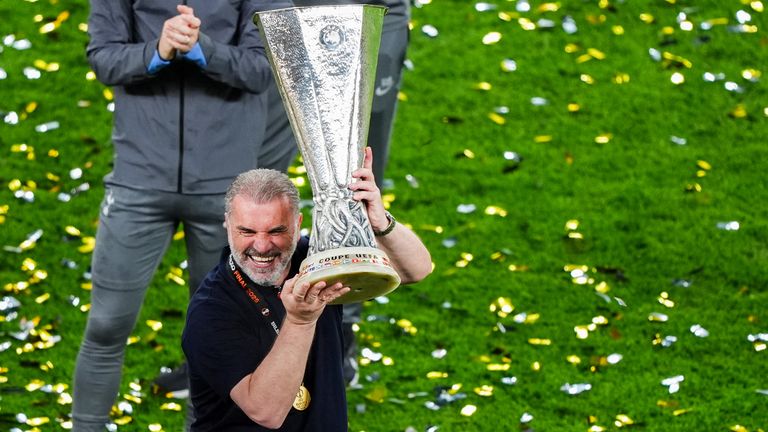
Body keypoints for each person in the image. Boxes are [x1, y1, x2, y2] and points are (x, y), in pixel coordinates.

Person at [71, 1, 288, 430]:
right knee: (106, 325)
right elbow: (103, 57)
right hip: (137, 183)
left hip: (227, 193)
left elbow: (266, 68)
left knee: (220, 336)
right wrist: (158, 50)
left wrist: (203, 49)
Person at [181, 147, 432, 430]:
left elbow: (415, 269)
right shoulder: (211, 310)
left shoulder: (315, 260)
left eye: (276, 231)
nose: (261, 246)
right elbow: (266, 412)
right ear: (227, 224)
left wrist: (379, 221)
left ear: (297, 224)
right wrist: (301, 321)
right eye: (247, 231)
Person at [260, 0, 412, 384]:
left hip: (367, 15)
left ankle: (342, 328)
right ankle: (246, 321)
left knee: (356, 177)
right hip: (284, 19)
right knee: (259, 183)